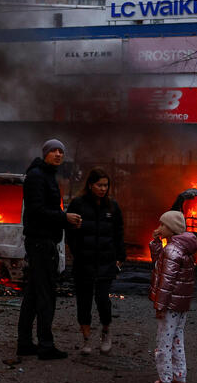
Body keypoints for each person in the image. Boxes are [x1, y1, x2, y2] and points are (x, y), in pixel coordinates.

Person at [17, 138, 78, 360]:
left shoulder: (47, 176)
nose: (58, 154)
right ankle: (45, 345)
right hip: (40, 243)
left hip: (43, 242)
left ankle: (24, 343)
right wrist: (64, 217)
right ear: (45, 154)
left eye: (61, 151)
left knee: (33, 295)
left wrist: (63, 220)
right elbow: (36, 210)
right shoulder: (37, 177)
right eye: (53, 151)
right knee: (46, 296)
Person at [66, 167, 125, 355]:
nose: (103, 189)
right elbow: (70, 232)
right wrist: (78, 253)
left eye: (106, 185)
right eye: (99, 185)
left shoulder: (112, 207)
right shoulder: (78, 204)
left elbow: (118, 234)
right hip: (84, 262)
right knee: (83, 301)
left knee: (102, 300)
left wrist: (120, 259)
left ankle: (106, 332)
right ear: (90, 185)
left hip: (106, 262)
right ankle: (86, 340)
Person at [149, 210, 197, 383]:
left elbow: (166, 282)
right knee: (177, 340)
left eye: (162, 225)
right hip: (181, 305)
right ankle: (180, 377)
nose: (159, 228)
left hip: (169, 306)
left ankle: (165, 381)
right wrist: (156, 243)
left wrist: (160, 306)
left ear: (172, 228)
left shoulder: (172, 250)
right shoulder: (183, 248)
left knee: (163, 343)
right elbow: (160, 262)